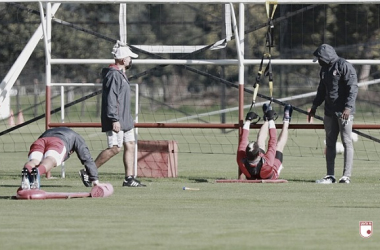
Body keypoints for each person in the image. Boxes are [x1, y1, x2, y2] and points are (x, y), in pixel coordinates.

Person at [79, 41, 145, 187]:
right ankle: (88, 172)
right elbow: (111, 98)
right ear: (123, 59)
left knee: (131, 144)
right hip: (116, 119)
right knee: (115, 148)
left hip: (125, 119)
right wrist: (114, 119)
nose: (130, 60)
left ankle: (129, 179)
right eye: (129, 57)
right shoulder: (114, 75)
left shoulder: (121, 74)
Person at [308, 44, 358, 184]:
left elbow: (352, 88)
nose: (318, 62)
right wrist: (314, 106)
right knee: (330, 143)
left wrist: (348, 108)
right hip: (329, 112)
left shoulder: (344, 66)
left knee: (347, 141)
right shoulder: (324, 69)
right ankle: (330, 175)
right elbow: (321, 89)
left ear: (326, 57)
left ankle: (346, 176)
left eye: (319, 59)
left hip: (344, 113)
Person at [21, 127, 100, 190]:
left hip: (40, 140)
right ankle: (37, 172)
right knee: (51, 159)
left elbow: (41, 140)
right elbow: (87, 159)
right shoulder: (77, 138)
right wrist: (95, 180)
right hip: (58, 142)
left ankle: (27, 171)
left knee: (34, 161)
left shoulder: (51, 131)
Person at [237, 104, 293, 180]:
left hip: (256, 168)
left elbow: (243, 139)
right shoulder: (268, 163)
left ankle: (266, 118)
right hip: (272, 171)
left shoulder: (241, 159)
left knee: (260, 141)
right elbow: (273, 140)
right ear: (258, 154)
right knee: (279, 147)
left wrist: (248, 120)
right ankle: (286, 120)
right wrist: (271, 120)